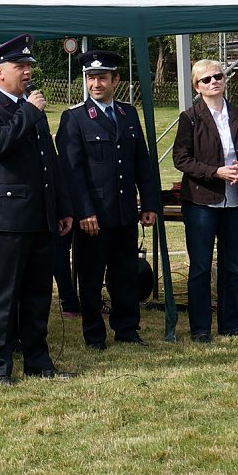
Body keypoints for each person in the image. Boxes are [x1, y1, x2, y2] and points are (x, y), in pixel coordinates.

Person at [0, 34, 74, 385]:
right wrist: (28, 112)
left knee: (38, 294)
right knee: (2, 296)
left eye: (29, 66)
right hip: (6, 219)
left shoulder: (31, 107)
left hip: (40, 215)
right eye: (20, 67)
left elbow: (49, 161)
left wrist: (61, 206)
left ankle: (38, 362)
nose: (27, 72)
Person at [55, 50, 159, 350]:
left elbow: (142, 161)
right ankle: (94, 335)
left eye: (102, 78)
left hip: (125, 211)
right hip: (94, 216)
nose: (96, 84)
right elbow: (71, 172)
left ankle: (127, 329)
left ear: (116, 80)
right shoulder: (74, 117)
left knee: (125, 274)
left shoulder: (128, 114)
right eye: (90, 78)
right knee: (90, 277)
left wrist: (149, 203)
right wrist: (84, 211)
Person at [172, 59, 238, 342]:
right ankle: (200, 328)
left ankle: (230, 325)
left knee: (230, 266)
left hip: (235, 201)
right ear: (197, 87)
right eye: (206, 79)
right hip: (202, 201)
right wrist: (216, 172)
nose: (214, 81)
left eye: (218, 76)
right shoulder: (190, 118)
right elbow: (181, 158)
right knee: (200, 267)